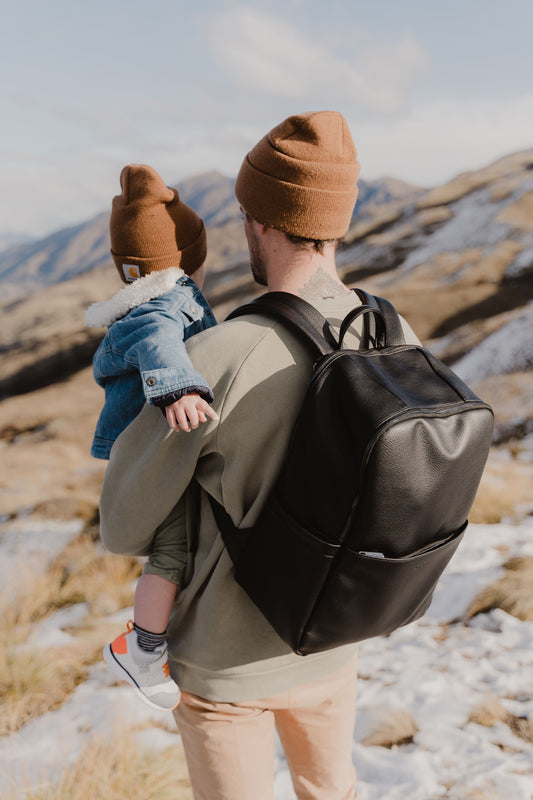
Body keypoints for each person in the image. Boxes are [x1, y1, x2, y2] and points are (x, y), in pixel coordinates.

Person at [99, 111, 420, 799]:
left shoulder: (218, 356)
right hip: (335, 637)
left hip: (225, 665)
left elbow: (124, 522)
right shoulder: (392, 333)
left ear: (260, 220)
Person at [85, 163, 218, 711]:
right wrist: (179, 388)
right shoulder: (165, 305)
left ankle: (148, 636)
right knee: (170, 552)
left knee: (176, 547)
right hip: (151, 454)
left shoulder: (152, 298)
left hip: (154, 454)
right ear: (185, 262)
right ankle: (141, 647)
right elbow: (158, 340)